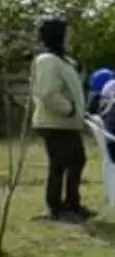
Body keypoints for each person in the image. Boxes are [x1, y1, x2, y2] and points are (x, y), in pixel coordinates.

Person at [30, 18, 92, 222]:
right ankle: (56, 208)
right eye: (67, 34)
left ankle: (72, 204)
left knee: (77, 160)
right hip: (54, 123)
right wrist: (69, 109)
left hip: (66, 124)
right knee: (60, 164)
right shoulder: (46, 60)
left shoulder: (62, 60)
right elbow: (48, 92)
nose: (70, 38)